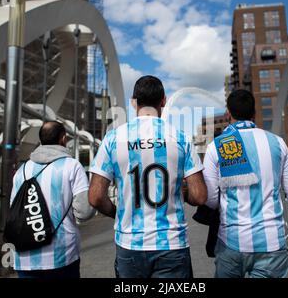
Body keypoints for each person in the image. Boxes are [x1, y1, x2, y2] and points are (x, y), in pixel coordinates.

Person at [88, 75, 207, 278]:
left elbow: (95, 197)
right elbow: (199, 196)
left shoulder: (113, 139)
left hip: (129, 243)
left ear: (134, 102)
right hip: (172, 243)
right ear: (164, 101)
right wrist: (178, 188)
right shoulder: (180, 138)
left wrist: (118, 213)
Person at [203, 89, 288, 278]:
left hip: (231, 240)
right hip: (272, 241)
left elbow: (211, 199)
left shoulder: (216, 146)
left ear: (228, 113)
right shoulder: (278, 142)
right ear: (254, 113)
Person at [10, 121, 95, 278]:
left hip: (25, 256)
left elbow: (14, 210)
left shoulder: (22, 170)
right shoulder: (72, 166)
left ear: (41, 140)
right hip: (62, 255)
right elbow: (84, 212)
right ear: (63, 139)